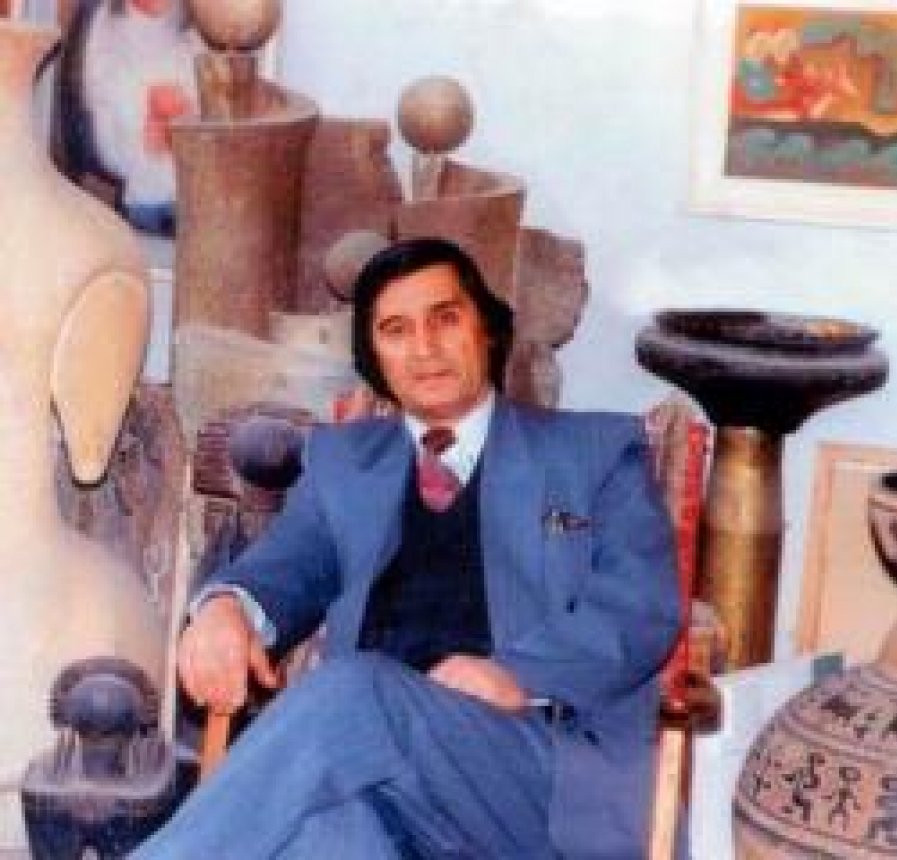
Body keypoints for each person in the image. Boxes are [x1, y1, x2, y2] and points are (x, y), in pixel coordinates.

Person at [133, 237, 681, 859]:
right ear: (375, 357)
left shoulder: (594, 451)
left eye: (445, 319)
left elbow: (639, 610)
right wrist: (227, 606)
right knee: (325, 834)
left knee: (354, 691)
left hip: (534, 775)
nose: (424, 348)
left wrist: (517, 674)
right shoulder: (344, 462)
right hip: (386, 791)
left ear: (486, 331)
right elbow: (286, 566)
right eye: (395, 330)